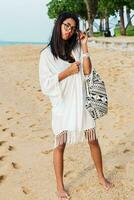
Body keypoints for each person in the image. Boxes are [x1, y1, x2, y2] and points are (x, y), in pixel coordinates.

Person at [39, 12, 113, 200]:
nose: (69, 31)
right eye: (66, 26)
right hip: (62, 106)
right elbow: (45, 85)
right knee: (60, 144)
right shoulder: (46, 55)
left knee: (93, 139)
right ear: (58, 25)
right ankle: (59, 187)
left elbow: (87, 72)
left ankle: (101, 177)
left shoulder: (76, 48)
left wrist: (85, 45)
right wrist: (68, 72)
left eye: (72, 28)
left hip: (81, 102)